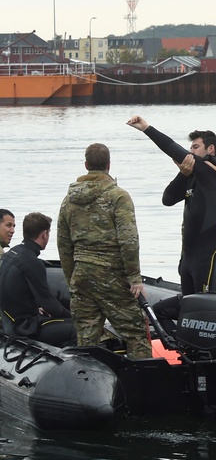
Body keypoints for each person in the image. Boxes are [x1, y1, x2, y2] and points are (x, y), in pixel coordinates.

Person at [57, 142, 151, 358]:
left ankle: (86, 383)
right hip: (112, 275)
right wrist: (134, 278)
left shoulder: (69, 200)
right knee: (135, 333)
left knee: (87, 337)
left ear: (86, 165)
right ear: (109, 165)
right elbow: (128, 239)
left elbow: (63, 243)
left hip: (81, 274)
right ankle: (142, 384)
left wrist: (71, 277)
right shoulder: (118, 196)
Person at [126, 116, 216, 295]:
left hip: (207, 259)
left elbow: (174, 149)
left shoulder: (215, 176)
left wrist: (146, 128)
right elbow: (167, 199)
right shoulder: (192, 177)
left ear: (210, 149)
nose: (191, 152)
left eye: (195, 147)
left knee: (203, 310)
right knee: (186, 309)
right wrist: (183, 174)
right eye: (190, 148)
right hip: (188, 260)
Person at [0, 212, 75, 345]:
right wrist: (74, 317)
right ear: (44, 234)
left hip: (10, 324)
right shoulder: (32, 262)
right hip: (25, 329)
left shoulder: (12, 254)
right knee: (79, 328)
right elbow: (49, 305)